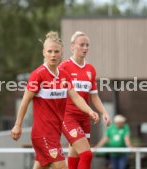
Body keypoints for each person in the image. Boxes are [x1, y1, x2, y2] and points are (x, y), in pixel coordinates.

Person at [10, 31, 99, 169]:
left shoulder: (64, 74)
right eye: (49, 51)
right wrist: (17, 125)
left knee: (41, 166)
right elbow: (25, 101)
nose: (53, 55)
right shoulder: (38, 75)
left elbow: (75, 97)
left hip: (55, 132)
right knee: (62, 166)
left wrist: (89, 111)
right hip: (43, 133)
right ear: (43, 52)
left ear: (61, 54)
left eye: (56, 51)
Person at [59, 31, 110, 169]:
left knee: (76, 153)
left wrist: (104, 112)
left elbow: (94, 96)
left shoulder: (90, 69)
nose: (85, 48)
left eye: (87, 45)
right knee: (87, 155)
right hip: (68, 117)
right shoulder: (63, 67)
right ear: (72, 46)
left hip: (85, 118)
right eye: (82, 45)